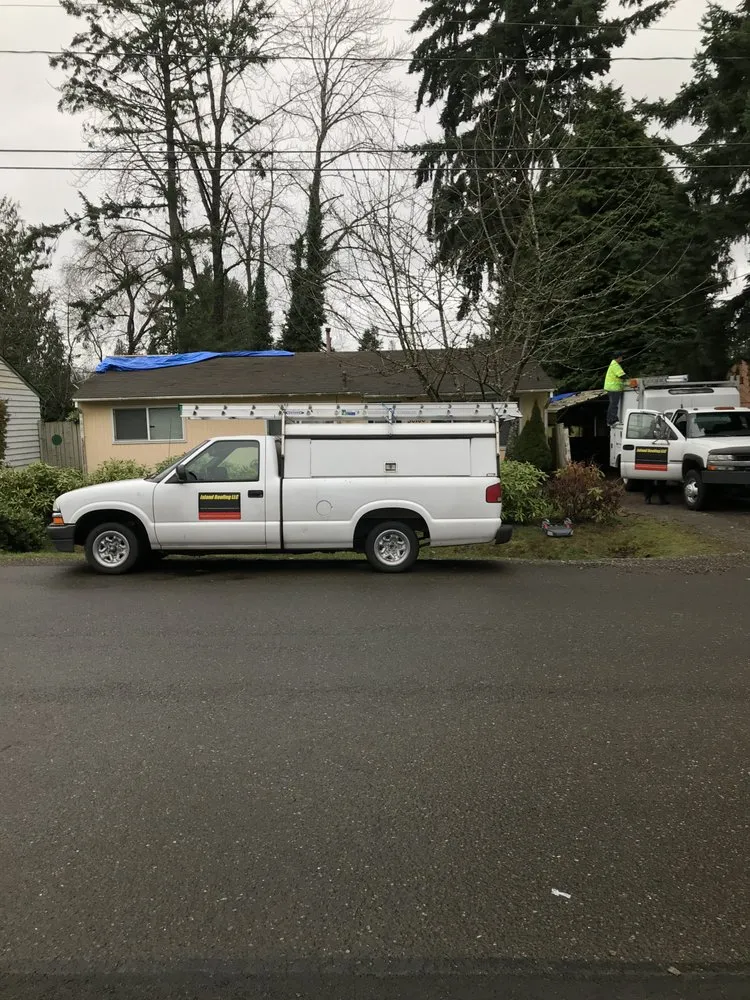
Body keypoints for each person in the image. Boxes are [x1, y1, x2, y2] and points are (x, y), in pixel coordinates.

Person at [604, 354, 627, 426]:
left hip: (611, 387)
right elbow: (622, 375)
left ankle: (611, 419)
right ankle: (612, 420)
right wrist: (629, 379)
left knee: (612, 404)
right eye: (621, 357)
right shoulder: (615, 365)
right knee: (613, 405)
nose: (622, 358)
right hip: (614, 388)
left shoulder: (613, 364)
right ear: (619, 357)